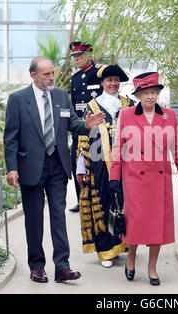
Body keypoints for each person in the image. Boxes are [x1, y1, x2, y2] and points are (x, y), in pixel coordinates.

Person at [3, 56, 105, 283]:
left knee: (58, 216)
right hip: (30, 167)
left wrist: (86, 125)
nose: (51, 78)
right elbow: (10, 138)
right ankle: (37, 266)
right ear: (33, 75)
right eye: (46, 74)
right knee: (34, 219)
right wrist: (12, 168)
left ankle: (62, 266)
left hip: (57, 166)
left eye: (52, 73)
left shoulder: (60, 96)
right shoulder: (18, 99)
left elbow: (73, 124)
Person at [109, 72, 178, 286]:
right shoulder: (126, 115)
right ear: (138, 95)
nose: (150, 97)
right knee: (136, 224)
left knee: (157, 226)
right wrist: (114, 178)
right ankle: (132, 258)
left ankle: (152, 267)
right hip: (134, 179)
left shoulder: (169, 116)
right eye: (146, 93)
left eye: (154, 92)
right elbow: (117, 149)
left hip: (159, 179)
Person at [76, 64, 133, 268]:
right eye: (109, 80)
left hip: (127, 164)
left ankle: (123, 244)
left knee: (124, 203)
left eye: (116, 80)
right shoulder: (92, 107)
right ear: (101, 83)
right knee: (103, 202)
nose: (113, 83)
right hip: (99, 165)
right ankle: (106, 251)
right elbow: (83, 137)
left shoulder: (129, 104)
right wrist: (81, 168)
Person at [68, 41, 103, 213]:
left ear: (89, 55)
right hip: (79, 127)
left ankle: (98, 197)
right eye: (74, 56)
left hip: (96, 127)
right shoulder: (75, 79)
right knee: (77, 162)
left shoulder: (99, 74)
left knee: (95, 163)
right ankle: (80, 199)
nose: (76, 59)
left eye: (80, 55)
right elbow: (74, 106)